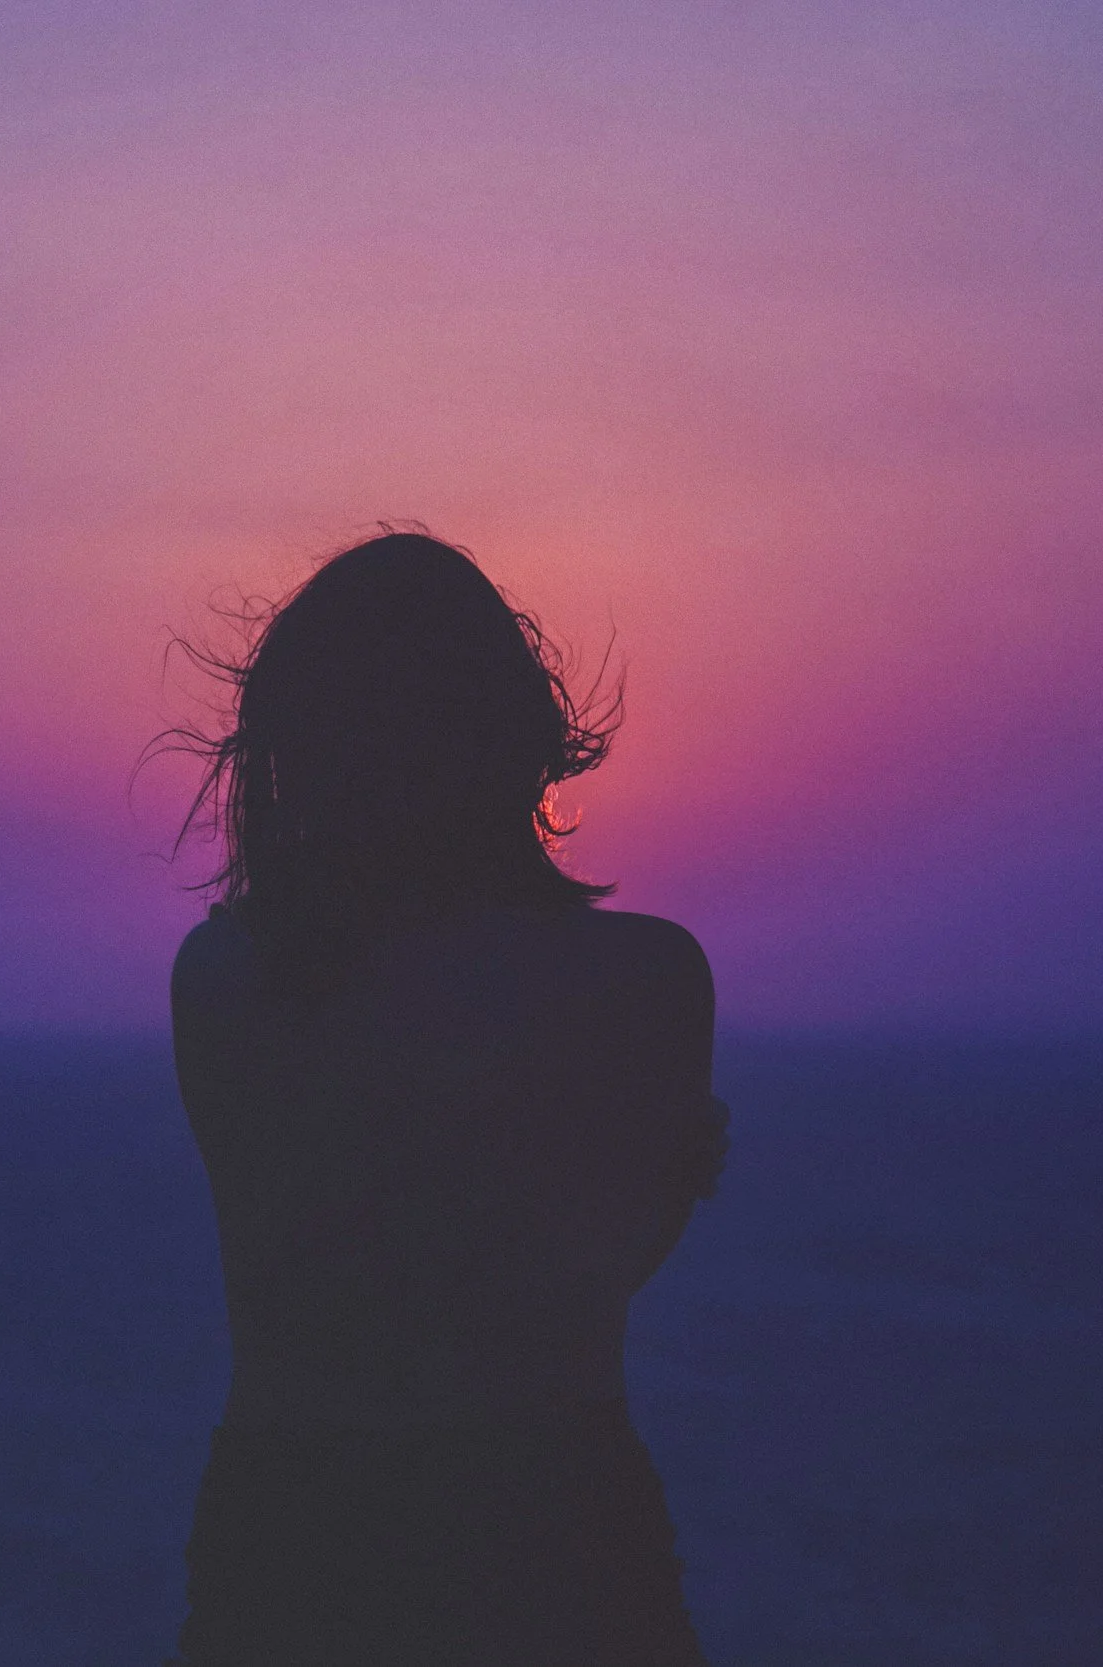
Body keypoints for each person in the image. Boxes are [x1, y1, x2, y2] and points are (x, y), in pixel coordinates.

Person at [164, 531, 728, 1665]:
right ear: (516, 736)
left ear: (297, 749)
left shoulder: (223, 977)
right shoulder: (648, 980)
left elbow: (329, 1252)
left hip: (293, 1537)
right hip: (554, 1529)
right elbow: (582, 1270)